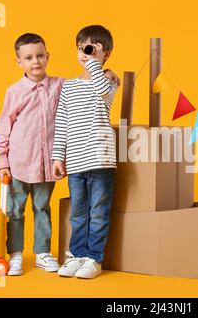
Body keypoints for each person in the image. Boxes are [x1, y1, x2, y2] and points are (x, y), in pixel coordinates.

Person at [0, 32, 119, 276]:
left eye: (40, 56)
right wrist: (2, 162)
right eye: (28, 58)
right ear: (19, 62)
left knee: (42, 207)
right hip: (19, 162)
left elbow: (88, 84)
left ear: (47, 57)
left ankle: (42, 252)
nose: (36, 62)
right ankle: (16, 253)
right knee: (15, 210)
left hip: (46, 164)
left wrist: (106, 70)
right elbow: (3, 127)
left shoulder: (61, 85)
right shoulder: (14, 92)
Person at [52, 25, 117, 279]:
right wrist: (59, 156)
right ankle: (77, 254)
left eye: (90, 49)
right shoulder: (68, 87)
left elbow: (101, 91)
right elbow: (62, 123)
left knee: (98, 212)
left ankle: (94, 259)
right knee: (78, 213)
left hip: (100, 159)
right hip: (77, 162)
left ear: (106, 54)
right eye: (81, 49)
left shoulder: (108, 82)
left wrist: (96, 64)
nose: (85, 54)